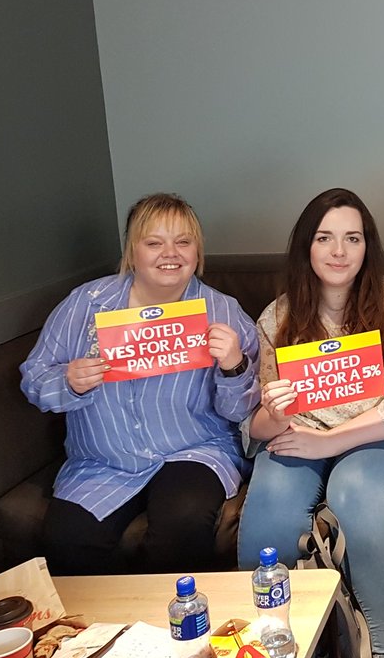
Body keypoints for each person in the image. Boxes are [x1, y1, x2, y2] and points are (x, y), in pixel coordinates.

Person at [237, 188, 384, 658]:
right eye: (325, 238)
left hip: (373, 434)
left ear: (367, 245)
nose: (339, 251)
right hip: (297, 435)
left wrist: (333, 443)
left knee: (356, 493)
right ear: (307, 245)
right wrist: (273, 415)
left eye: (352, 238)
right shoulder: (275, 317)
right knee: (270, 513)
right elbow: (253, 426)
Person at [21, 192, 259, 575]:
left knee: (183, 520)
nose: (171, 253)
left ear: (198, 253)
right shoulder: (85, 304)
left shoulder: (222, 310)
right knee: (68, 537)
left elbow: (243, 412)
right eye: (154, 242)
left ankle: (178, 625)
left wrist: (234, 366)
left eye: (184, 242)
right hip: (103, 461)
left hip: (193, 449)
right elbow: (34, 379)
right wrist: (69, 381)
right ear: (132, 252)